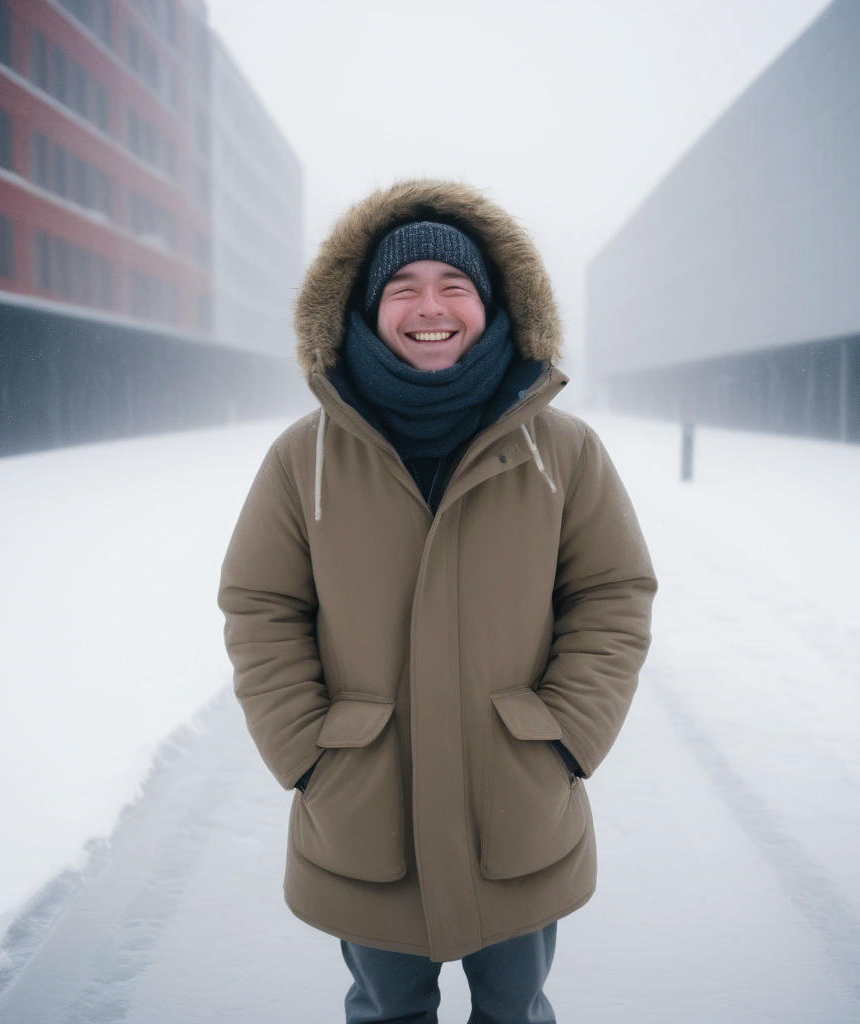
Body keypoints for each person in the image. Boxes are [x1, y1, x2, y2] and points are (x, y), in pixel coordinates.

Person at [218, 179, 657, 1024]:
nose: (431, 306)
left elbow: (613, 593)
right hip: (364, 807)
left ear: (493, 308)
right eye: (403, 288)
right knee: (386, 1014)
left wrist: (565, 736)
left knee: (515, 1010)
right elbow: (260, 605)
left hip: (516, 802)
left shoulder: (562, 450)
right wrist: (308, 754)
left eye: (455, 286)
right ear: (366, 308)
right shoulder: (302, 458)